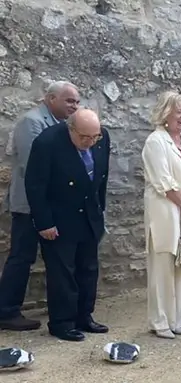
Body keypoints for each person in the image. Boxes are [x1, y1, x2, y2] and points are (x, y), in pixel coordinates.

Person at [24, 108, 110, 342]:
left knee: (88, 269)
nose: (90, 142)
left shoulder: (102, 138)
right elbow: (35, 185)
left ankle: (84, 316)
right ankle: (62, 322)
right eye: (84, 137)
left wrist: (100, 210)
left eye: (95, 137)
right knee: (63, 274)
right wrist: (44, 223)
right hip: (60, 217)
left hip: (89, 216)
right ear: (70, 128)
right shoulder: (48, 142)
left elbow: (102, 177)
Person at [0, 81, 80, 331]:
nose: (74, 106)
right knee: (21, 257)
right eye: (69, 101)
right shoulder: (31, 123)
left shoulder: (61, 125)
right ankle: (6, 311)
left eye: (76, 102)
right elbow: (32, 166)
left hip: (51, 205)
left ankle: (62, 309)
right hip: (29, 205)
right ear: (51, 98)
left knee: (57, 258)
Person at [141, 91, 181, 338]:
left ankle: (180, 319)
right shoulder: (155, 142)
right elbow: (164, 182)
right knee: (163, 266)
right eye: (179, 111)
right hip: (165, 211)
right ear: (166, 112)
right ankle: (161, 321)